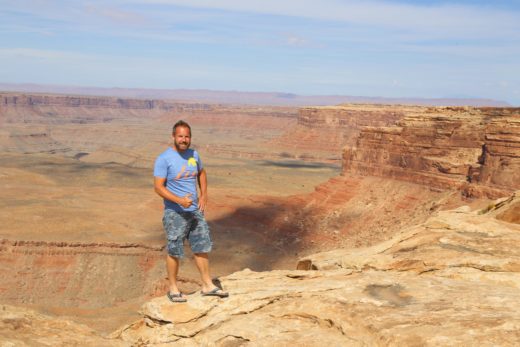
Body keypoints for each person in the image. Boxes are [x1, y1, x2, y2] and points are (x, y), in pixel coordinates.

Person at [153, 120, 228, 302]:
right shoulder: (164, 159)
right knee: (175, 250)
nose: (184, 139)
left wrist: (204, 195)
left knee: (201, 246)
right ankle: (173, 288)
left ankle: (207, 285)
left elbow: (201, 172)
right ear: (173, 137)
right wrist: (179, 200)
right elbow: (158, 187)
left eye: (187, 136)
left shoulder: (194, 154)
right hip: (175, 213)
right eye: (180, 136)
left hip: (195, 211)